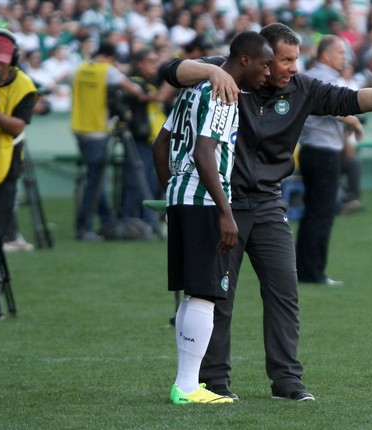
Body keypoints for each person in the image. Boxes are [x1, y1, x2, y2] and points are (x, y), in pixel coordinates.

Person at [159, 22, 372, 401]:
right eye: (285, 59)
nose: (292, 66)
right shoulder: (230, 73)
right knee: (217, 295)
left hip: (270, 201)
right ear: (263, 59)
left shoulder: (303, 88)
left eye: (295, 58)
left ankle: (287, 381)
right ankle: (214, 381)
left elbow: (351, 100)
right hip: (224, 201)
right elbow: (169, 71)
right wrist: (212, 70)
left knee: (284, 291)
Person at [151, 31, 274, 405]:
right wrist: (226, 212)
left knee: (195, 293)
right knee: (206, 294)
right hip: (205, 201)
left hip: (183, 198)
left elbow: (160, 144)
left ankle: (187, 384)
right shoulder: (225, 92)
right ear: (245, 60)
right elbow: (206, 153)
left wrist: (173, 193)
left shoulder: (192, 91)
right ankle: (187, 387)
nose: (268, 73)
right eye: (265, 64)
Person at [295, 35, 363, 286]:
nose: (345, 57)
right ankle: (314, 273)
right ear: (325, 54)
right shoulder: (326, 79)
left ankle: (303, 270)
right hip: (323, 153)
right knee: (321, 214)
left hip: (312, 151)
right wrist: (354, 120)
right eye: (340, 52)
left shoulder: (310, 75)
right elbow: (336, 106)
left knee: (312, 212)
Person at [71, 41, 144, 241]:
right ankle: (84, 227)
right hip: (98, 130)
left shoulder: (80, 68)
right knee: (94, 183)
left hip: (80, 128)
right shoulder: (108, 71)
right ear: (111, 57)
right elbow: (133, 89)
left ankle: (105, 219)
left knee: (95, 179)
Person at [0, 29, 37, 252]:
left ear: (13, 60)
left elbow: (18, 125)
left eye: (1, 62)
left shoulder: (24, 86)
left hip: (7, 159)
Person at [120, 47, 167, 235]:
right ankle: (130, 222)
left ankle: (146, 221)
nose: (154, 65)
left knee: (152, 182)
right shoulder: (135, 81)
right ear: (139, 63)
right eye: (150, 61)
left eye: (156, 60)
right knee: (136, 182)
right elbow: (146, 94)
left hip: (153, 140)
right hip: (139, 139)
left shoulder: (152, 82)